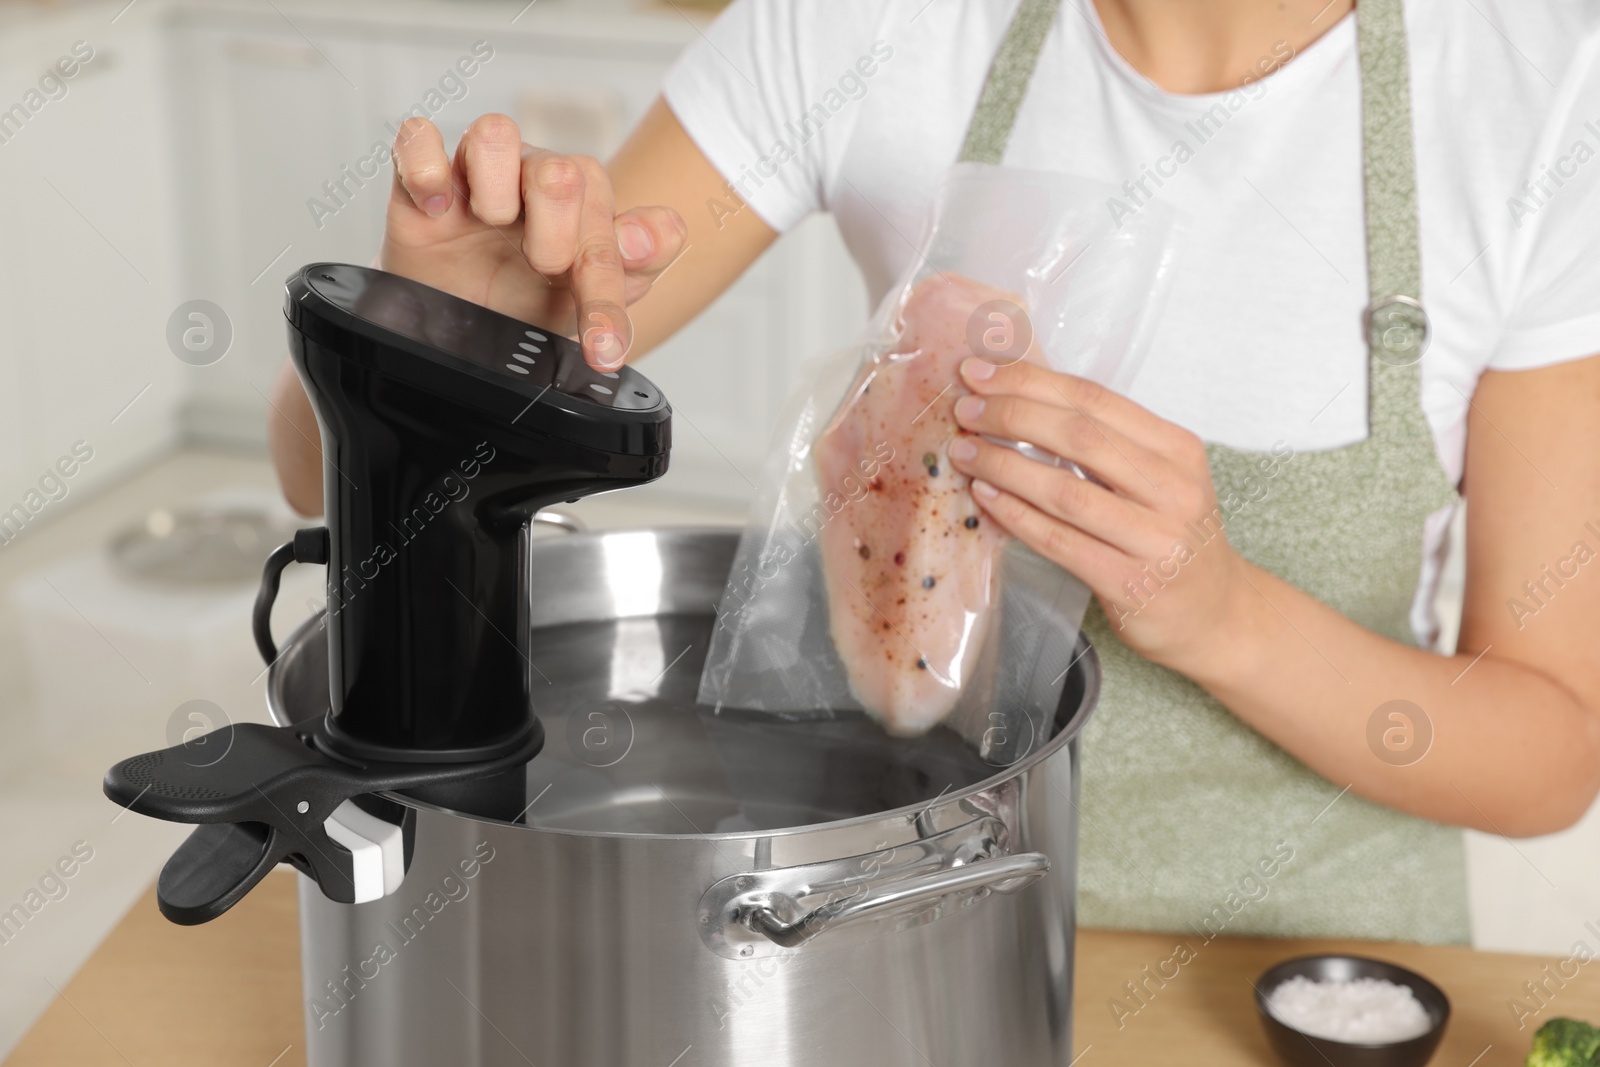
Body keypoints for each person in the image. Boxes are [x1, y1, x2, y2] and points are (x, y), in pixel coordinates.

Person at [269, 0, 1600, 944]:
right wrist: (429, 342)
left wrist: (1221, 613)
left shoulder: (1535, 94)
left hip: (1312, 985)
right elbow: (319, 480)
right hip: (888, 938)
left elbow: (1551, 750)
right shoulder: (866, 27)